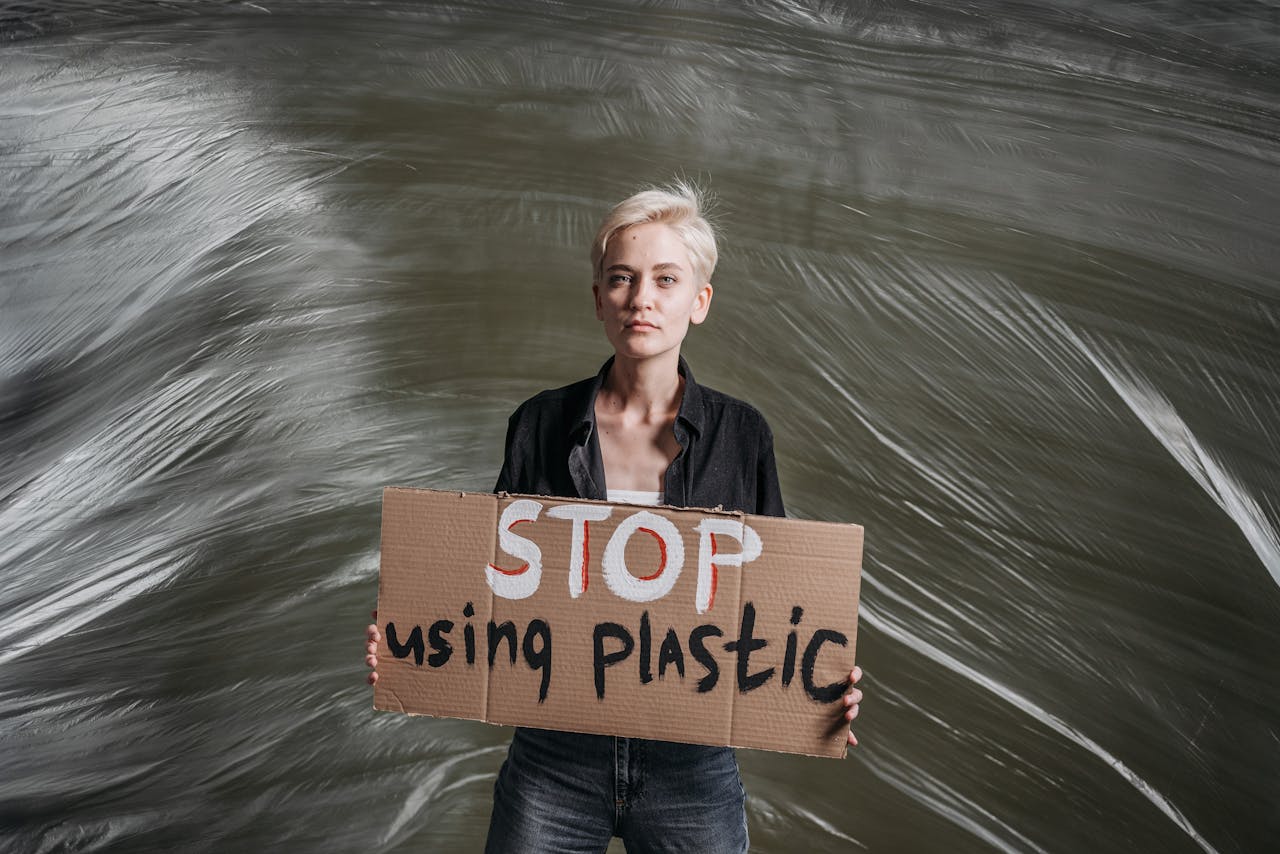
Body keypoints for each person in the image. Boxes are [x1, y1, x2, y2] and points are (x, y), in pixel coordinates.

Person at [365, 182, 863, 852]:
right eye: (622, 279)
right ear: (600, 298)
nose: (642, 298)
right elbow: (494, 588)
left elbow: (774, 603)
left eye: (666, 279)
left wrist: (814, 685)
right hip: (554, 759)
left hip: (691, 766)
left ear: (699, 301)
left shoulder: (744, 436)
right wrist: (415, 647)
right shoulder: (540, 423)